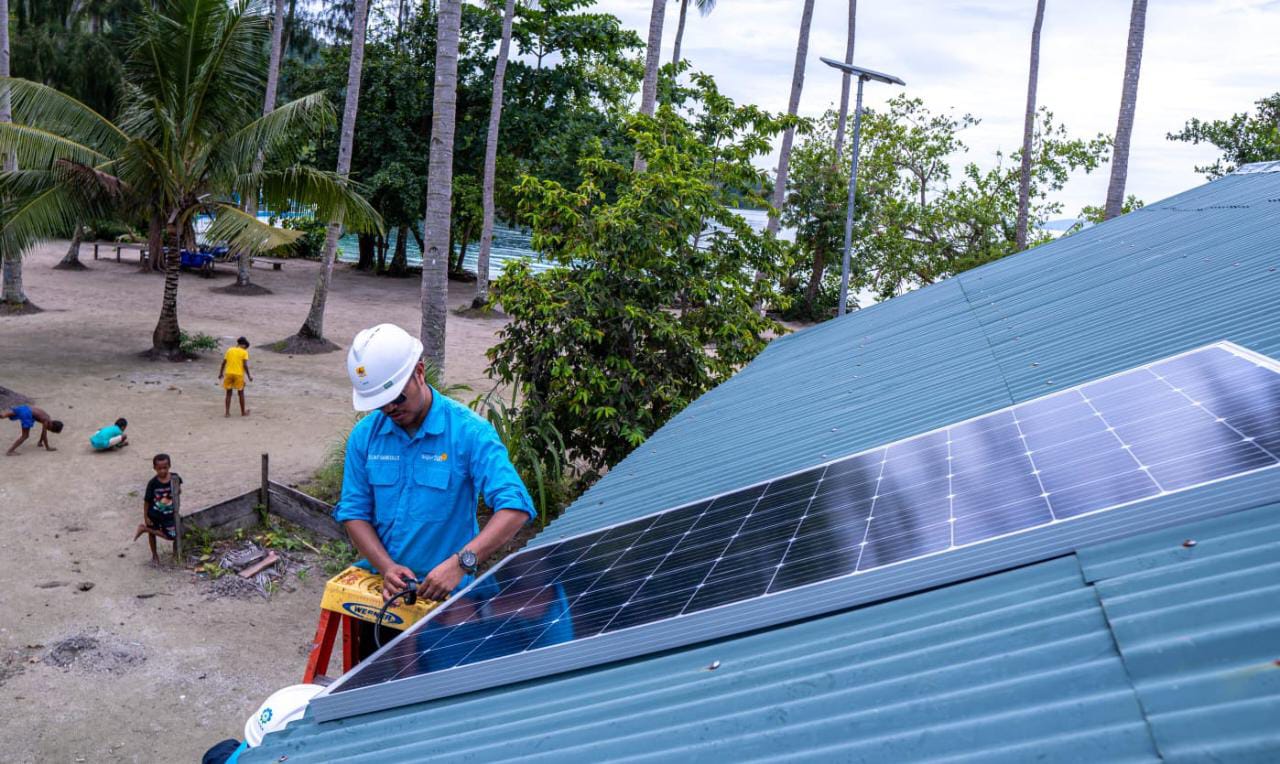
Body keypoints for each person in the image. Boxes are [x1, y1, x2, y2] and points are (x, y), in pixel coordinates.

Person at [334, 323, 535, 653]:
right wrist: (386, 567)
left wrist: (460, 564)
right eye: (380, 403)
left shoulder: (469, 433)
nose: (390, 410)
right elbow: (354, 513)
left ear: (419, 372)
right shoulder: (366, 436)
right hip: (383, 596)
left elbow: (515, 508)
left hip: (451, 605)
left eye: (397, 397)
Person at [134, 453, 183, 564]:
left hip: (170, 514)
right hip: (154, 514)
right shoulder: (152, 483)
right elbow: (147, 501)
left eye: (165, 468)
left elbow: (178, 491)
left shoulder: (175, 478)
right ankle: (155, 556)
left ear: (169, 466)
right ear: (154, 468)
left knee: (173, 535)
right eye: (159, 468)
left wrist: (178, 490)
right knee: (152, 535)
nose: (162, 471)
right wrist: (146, 516)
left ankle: (144, 529)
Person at [218, 336, 253, 417]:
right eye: (246, 347)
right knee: (241, 393)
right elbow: (245, 365)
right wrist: (249, 376)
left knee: (228, 393)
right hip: (238, 374)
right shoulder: (244, 352)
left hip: (228, 373)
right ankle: (243, 412)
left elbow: (224, 363)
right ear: (244, 345)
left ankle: (227, 413)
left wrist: (220, 373)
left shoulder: (229, 350)